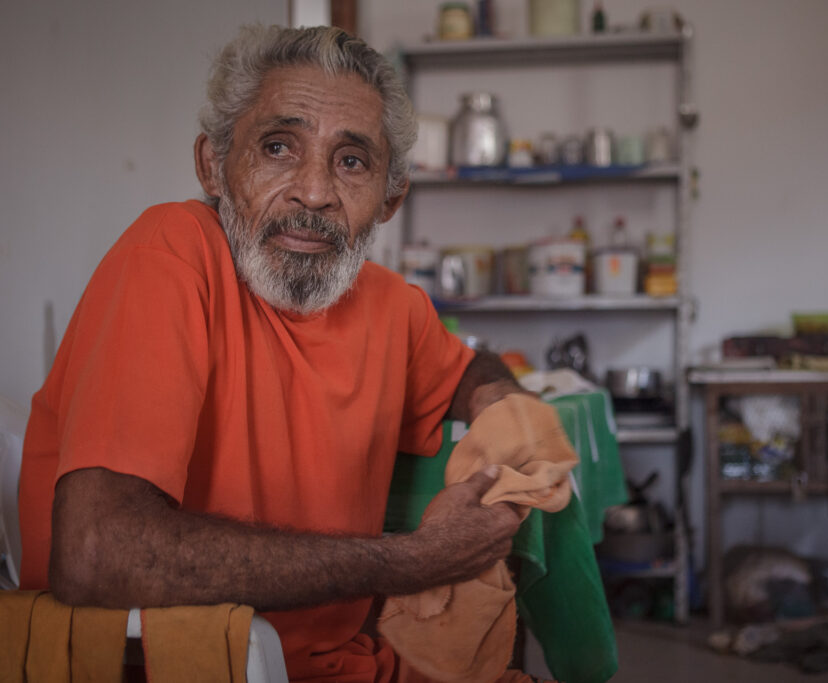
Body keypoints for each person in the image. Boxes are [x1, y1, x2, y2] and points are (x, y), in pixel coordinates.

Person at [17, 24, 549, 682]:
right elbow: (96, 553)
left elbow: (472, 367)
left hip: (339, 662)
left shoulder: (391, 304)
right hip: (179, 664)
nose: (315, 191)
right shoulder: (170, 252)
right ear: (213, 164)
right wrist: (411, 559)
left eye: (351, 161)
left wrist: (494, 397)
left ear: (391, 197)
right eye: (278, 147)